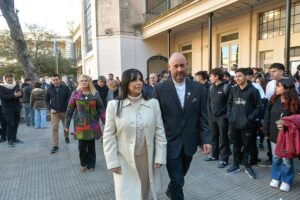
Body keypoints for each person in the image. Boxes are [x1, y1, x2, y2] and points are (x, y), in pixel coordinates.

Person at [153, 52, 211, 199]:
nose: (179, 69)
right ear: (169, 68)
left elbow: (203, 117)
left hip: (189, 143)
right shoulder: (160, 89)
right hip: (169, 142)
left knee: (180, 177)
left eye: (182, 65)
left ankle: (171, 190)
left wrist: (206, 140)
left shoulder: (199, 88)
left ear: (187, 67)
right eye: (176, 66)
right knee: (178, 179)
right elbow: (156, 119)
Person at [103, 69, 167, 200]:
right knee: (126, 193)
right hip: (123, 159)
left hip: (146, 158)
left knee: (143, 192)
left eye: (140, 79)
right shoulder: (114, 105)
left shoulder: (153, 103)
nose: (138, 83)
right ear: (126, 83)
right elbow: (109, 136)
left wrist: (160, 156)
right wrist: (112, 161)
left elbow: (160, 132)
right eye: (134, 80)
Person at [264, 78, 299, 192]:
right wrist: (267, 131)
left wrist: (287, 123)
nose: (276, 88)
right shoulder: (273, 99)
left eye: (278, 86)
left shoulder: (295, 102)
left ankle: (286, 180)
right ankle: (275, 177)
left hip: (288, 136)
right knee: (276, 157)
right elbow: (267, 116)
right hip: (274, 134)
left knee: (286, 159)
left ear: (286, 88)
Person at [65, 75, 105, 172]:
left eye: (86, 81)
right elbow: (70, 110)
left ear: (89, 82)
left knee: (91, 145)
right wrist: (66, 125)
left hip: (92, 124)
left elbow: (101, 109)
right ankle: (83, 163)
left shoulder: (95, 93)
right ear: (79, 82)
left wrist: (106, 123)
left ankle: (91, 164)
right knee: (82, 146)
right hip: (80, 125)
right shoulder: (75, 94)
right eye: (82, 81)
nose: (83, 82)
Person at [227, 68, 262, 179]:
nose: (237, 78)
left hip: (247, 124)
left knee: (247, 146)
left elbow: (259, 107)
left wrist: (250, 118)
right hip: (234, 123)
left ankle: (247, 166)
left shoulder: (253, 90)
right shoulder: (233, 89)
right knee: (236, 145)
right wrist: (230, 115)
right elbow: (229, 103)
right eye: (236, 76)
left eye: (240, 76)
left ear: (246, 77)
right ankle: (236, 165)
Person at [204, 68, 231, 168]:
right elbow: (209, 102)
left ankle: (224, 159)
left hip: (222, 117)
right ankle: (214, 155)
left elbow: (229, 103)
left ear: (216, 76)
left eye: (211, 76)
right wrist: (209, 113)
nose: (210, 78)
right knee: (213, 136)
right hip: (212, 116)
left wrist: (224, 114)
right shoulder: (211, 87)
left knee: (223, 138)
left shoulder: (226, 87)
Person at [259, 63, 285, 167]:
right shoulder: (270, 84)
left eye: (274, 71)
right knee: (270, 137)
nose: (271, 74)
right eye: (270, 72)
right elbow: (267, 100)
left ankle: (286, 161)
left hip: (284, 115)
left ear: (281, 71)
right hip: (271, 114)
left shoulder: (288, 82)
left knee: (284, 139)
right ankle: (271, 158)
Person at [45, 74, 71, 154]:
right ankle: (55, 145)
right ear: (52, 81)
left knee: (65, 126)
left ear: (59, 80)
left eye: (57, 79)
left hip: (64, 111)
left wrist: (68, 108)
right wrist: (50, 109)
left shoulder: (66, 88)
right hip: (54, 112)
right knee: (54, 128)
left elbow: (70, 99)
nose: (55, 81)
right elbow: (46, 100)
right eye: (54, 80)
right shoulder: (49, 89)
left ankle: (66, 136)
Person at [0, 73, 23, 147]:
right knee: (10, 124)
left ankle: (14, 138)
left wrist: (20, 94)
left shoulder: (15, 85)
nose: (10, 81)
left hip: (16, 108)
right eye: (8, 80)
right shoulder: (1, 87)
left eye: (11, 79)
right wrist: (14, 95)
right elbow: (3, 98)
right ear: (5, 79)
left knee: (16, 123)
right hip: (7, 109)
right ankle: (9, 139)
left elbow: (20, 93)